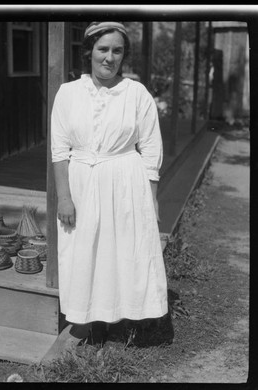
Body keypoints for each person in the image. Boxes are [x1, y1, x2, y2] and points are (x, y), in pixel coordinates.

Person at [51, 22, 168, 348]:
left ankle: (122, 321)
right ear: (89, 51)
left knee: (121, 251)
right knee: (83, 252)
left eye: (117, 51)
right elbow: (59, 150)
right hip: (81, 181)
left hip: (124, 181)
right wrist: (64, 197)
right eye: (103, 49)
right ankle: (85, 323)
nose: (109, 57)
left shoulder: (136, 94)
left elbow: (151, 150)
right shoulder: (68, 93)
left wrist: (151, 198)